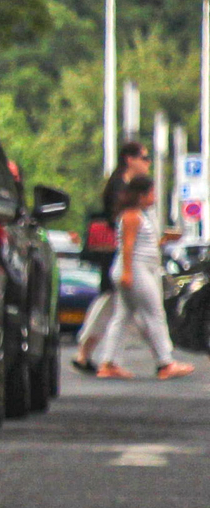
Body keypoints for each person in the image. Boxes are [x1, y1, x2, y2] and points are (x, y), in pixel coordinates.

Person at [95, 171, 194, 380]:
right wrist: (128, 272)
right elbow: (128, 246)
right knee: (155, 314)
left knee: (122, 317)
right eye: (152, 193)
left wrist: (163, 241)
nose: (154, 198)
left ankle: (109, 361)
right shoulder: (131, 216)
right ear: (141, 195)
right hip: (135, 269)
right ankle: (165, 362)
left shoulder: (139, 215)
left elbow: (143, 245)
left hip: (137, 268)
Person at [75, 140, 151, 374]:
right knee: (116, 306)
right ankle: (161, 358)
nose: (148, 164)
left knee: (117, 307)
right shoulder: (120, 187)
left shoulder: (122, 184)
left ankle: (94, 355)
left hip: (121, 254)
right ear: (130, 158)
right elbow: (120, 221)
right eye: (144, 158)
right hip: (118, 254)